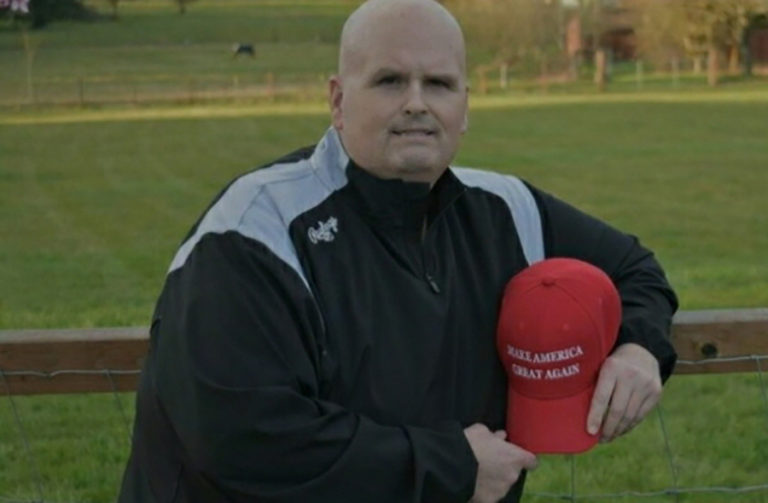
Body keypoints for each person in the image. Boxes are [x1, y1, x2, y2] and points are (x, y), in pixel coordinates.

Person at [118, 1, 678, 502]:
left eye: (438, 83)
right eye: (389, 81)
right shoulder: (252, 232)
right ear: (338, 100)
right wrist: (451, 468)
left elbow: (634, 270)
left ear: (466, 105)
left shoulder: (504, 208)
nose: (417, 103)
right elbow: (237, 438)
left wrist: (639, 348)